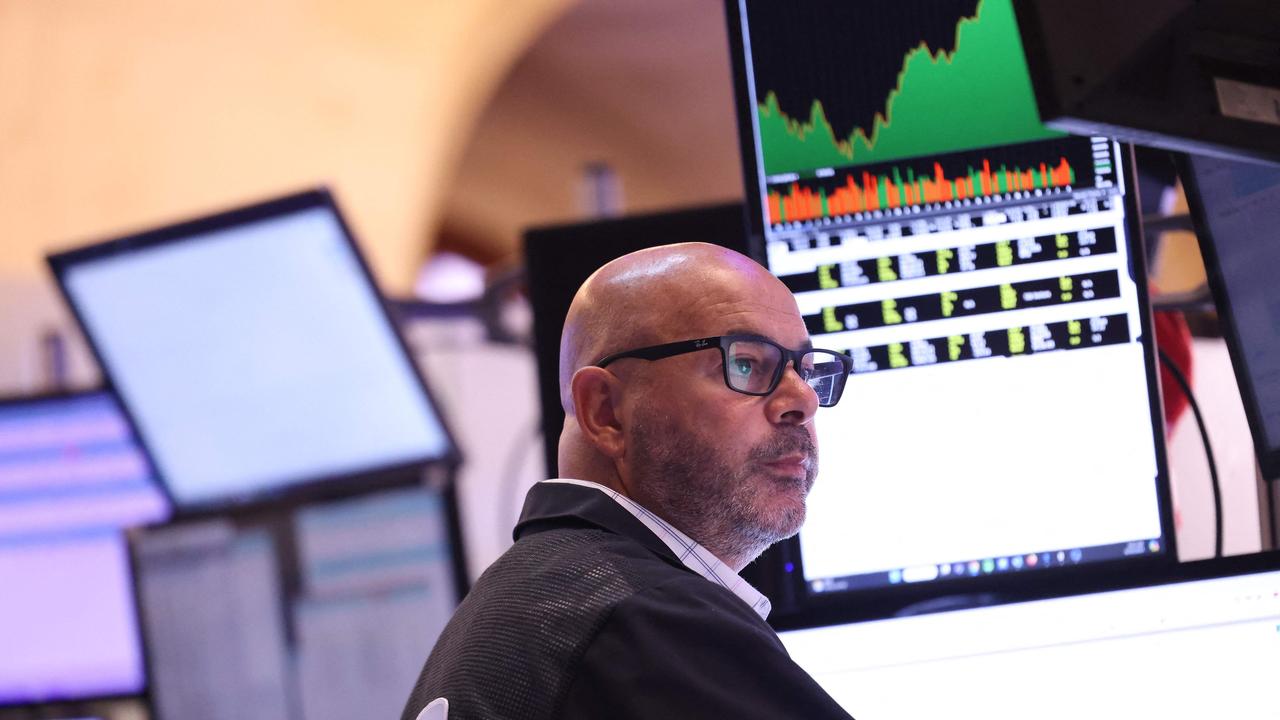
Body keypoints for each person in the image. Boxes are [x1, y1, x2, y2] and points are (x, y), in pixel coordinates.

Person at [401, 242, 855, 720]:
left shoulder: (527, 604)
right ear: (605, 411)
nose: (803, 400)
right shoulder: (647, 620)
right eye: (745, 363)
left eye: (805, 370)